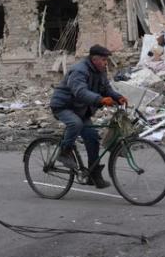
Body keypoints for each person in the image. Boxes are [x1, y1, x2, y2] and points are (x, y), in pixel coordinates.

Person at [50, 44, 128, 189]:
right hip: (63, 106)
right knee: (76, 124)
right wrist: (100, 100)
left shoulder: (100, 71)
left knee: (92, 137)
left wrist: (118, 97)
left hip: (81, 109)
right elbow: (79, 92)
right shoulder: (79, 70)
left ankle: (93, 174)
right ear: (94, 59)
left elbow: (106, 89)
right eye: (104, 60)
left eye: (106, 60)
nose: (106, 63)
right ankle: (64, 152)